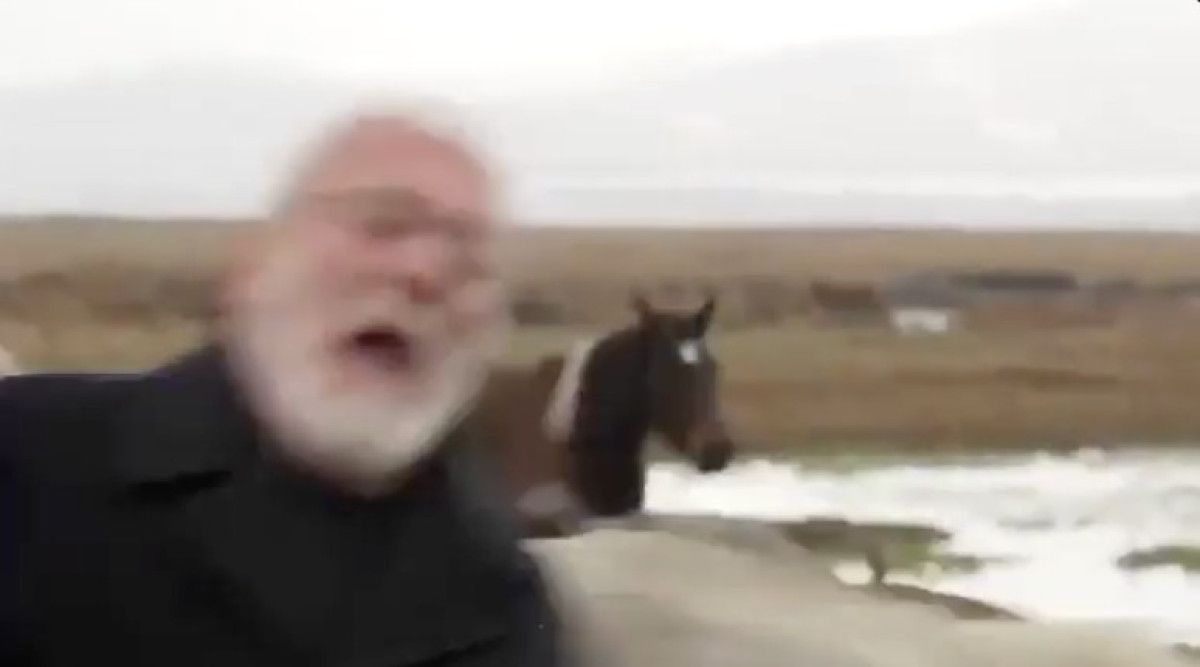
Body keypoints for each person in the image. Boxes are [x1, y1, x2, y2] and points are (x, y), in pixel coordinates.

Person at [0, 110, 571, 666]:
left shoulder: (505, 605)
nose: (426, 272)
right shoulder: (27, 463)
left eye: (472, 258)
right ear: (252, 268)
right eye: (382, 224)